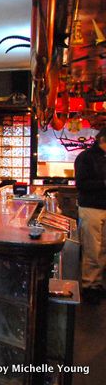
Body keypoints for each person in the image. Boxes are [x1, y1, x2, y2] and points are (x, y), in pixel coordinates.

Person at [74, 127, 106, 303]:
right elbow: (81, 183)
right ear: (102, 140)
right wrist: (103, 183)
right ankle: (88, 285)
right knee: (92, 249)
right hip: (91, 208)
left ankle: (98, 283)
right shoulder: (85, 157)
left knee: (103, 249)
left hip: (103, 207)